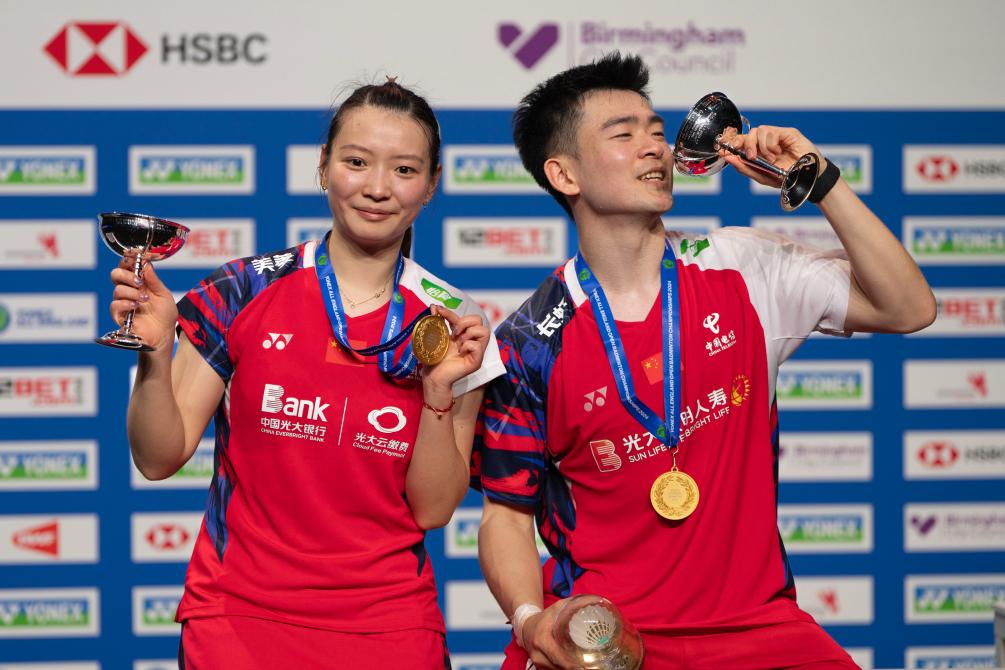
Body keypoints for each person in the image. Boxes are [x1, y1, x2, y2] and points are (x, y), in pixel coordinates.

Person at [472, 52, 935, 669]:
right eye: (624, 135)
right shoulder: (530, 341)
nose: (655, 148)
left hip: (757, 627)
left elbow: (908, 308)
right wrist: (532, 621)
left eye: (657, 132)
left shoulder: (743, 268)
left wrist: (819, 181)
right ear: (564, 173)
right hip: (607, 639)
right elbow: (505, 516)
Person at [109, 79, 505, 668]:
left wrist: (438, 392)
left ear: (431, 184)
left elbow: (433, 510)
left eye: (403, 169)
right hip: (239, 619)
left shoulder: (452, 322)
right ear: (323, 166)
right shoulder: (242, 290)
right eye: (356, 162)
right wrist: (157, 352)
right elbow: (157, 457)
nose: (377, 187)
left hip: (389, 626)